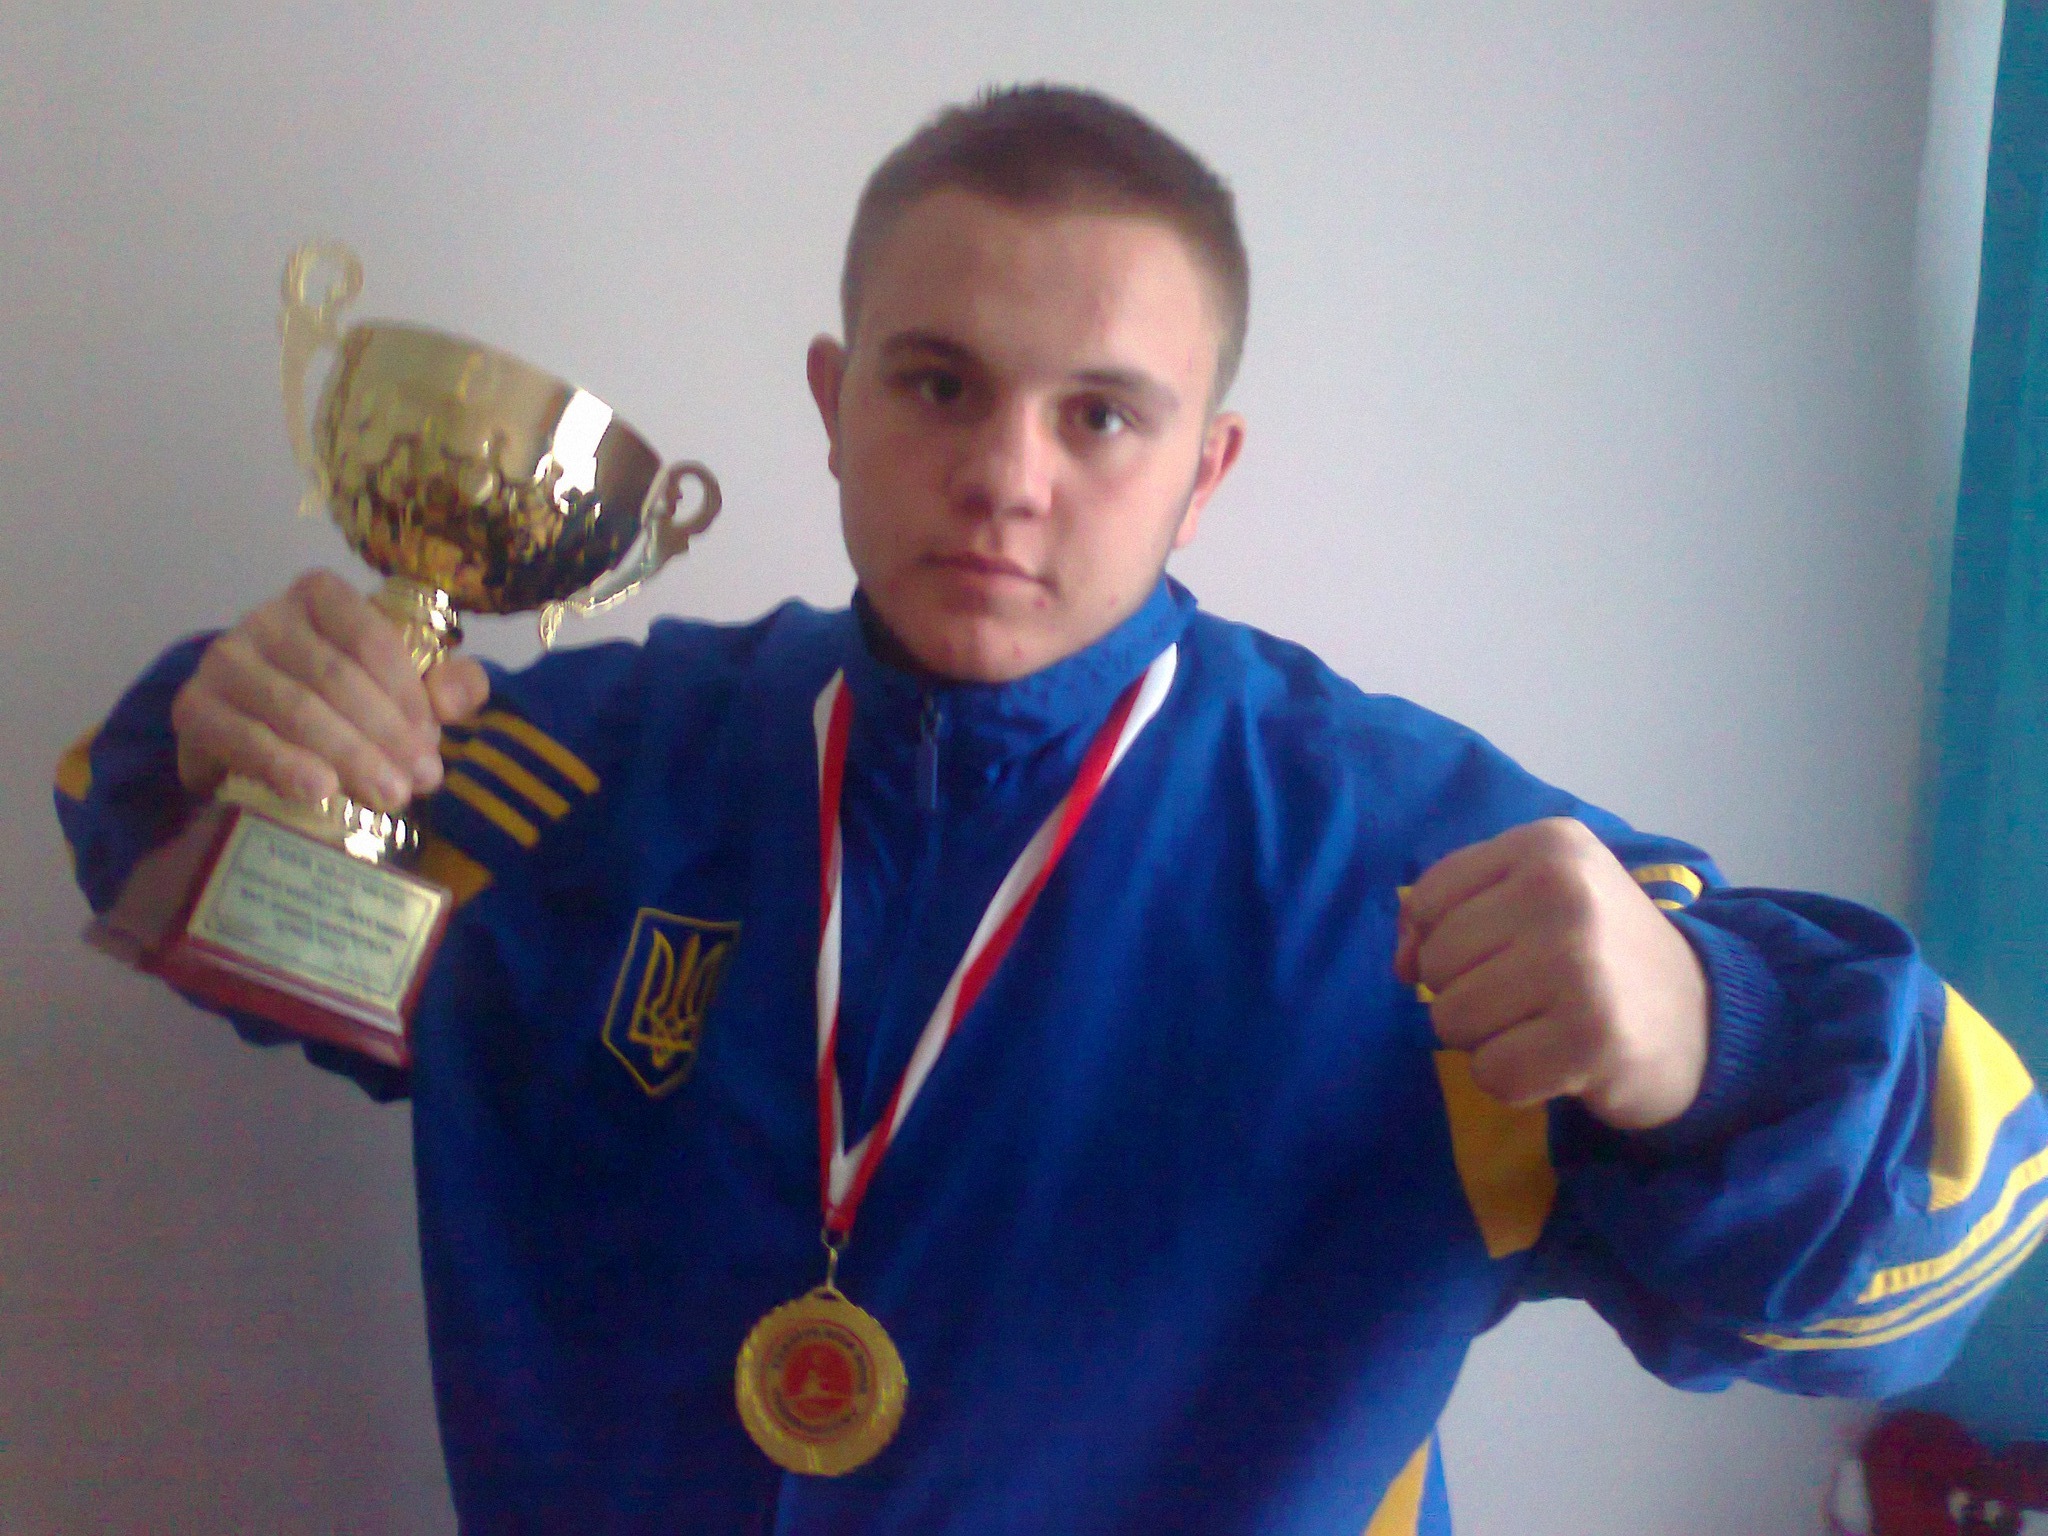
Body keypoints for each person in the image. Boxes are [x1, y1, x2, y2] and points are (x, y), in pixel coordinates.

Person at [55, 85, 2048, 1536]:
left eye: (1100, 413)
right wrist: (235, 747)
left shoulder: (1412, 853)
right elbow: (201, 903)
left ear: (1207, 467)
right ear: (833, 403)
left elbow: (1943, 1264)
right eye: (938, 385)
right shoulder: (598, 774)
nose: (1008, 474)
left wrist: (1710, 1039)